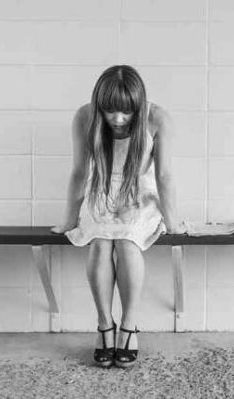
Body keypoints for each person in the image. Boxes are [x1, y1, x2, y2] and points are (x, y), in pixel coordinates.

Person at [51, 65, 187, 368]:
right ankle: (104, 326)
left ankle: (129, 325)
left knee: (127, 243)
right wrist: (69, 220)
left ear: (139, 106)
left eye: (127, 112)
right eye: (111, 111)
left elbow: (164, 176)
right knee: (100, 243)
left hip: (140, 194)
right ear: (99, 106)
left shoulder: (158, 119)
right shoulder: (85, 117)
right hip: (100, 192)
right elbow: (78, 172)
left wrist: (173, 221)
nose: (118, 119)